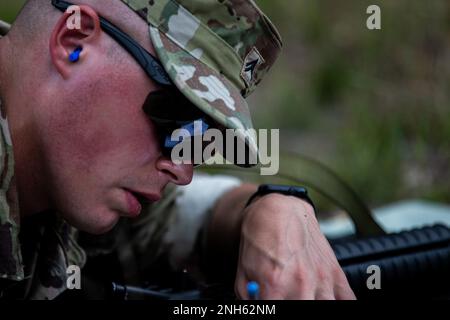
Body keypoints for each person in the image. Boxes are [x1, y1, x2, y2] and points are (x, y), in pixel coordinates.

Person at [0, 0, 355, 300]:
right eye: (176, 120)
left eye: (202, 138)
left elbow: (178, 217)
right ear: (72, 42)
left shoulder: (71, 174)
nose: (182, 171)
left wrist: (274, 207)